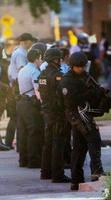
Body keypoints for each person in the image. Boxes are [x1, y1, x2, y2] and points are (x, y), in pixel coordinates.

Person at [59, 52, 104, 191]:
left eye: (82, 67)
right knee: (93, 138)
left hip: (83, 113)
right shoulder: (67, 80)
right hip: (76, 114)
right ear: (72, 66)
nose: (81, 69)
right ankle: (96, 172)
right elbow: (70, 100)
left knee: (79, 147)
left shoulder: (84, 76)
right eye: (78, 67)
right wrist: (91, 94)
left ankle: (76, 179)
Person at [39, 48, 71, 183]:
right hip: (57, 112)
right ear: (56, 59)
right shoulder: (58, 75)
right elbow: (64, 94)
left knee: (48, 142)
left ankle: (45, 172)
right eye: (59, 59)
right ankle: (57, 174)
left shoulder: (42, 74)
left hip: (46, 110)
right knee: (58, 142)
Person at [17, 49, 44, 168]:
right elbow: (37, 90)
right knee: (34, 132)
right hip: (31, 103)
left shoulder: (23, 70)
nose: (41, 60)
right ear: (37, 58)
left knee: (23, 132)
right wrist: (42, 104)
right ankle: (34, 160)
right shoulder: (35, 72)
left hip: (21, 102)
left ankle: (23, 160)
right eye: (40, 57)